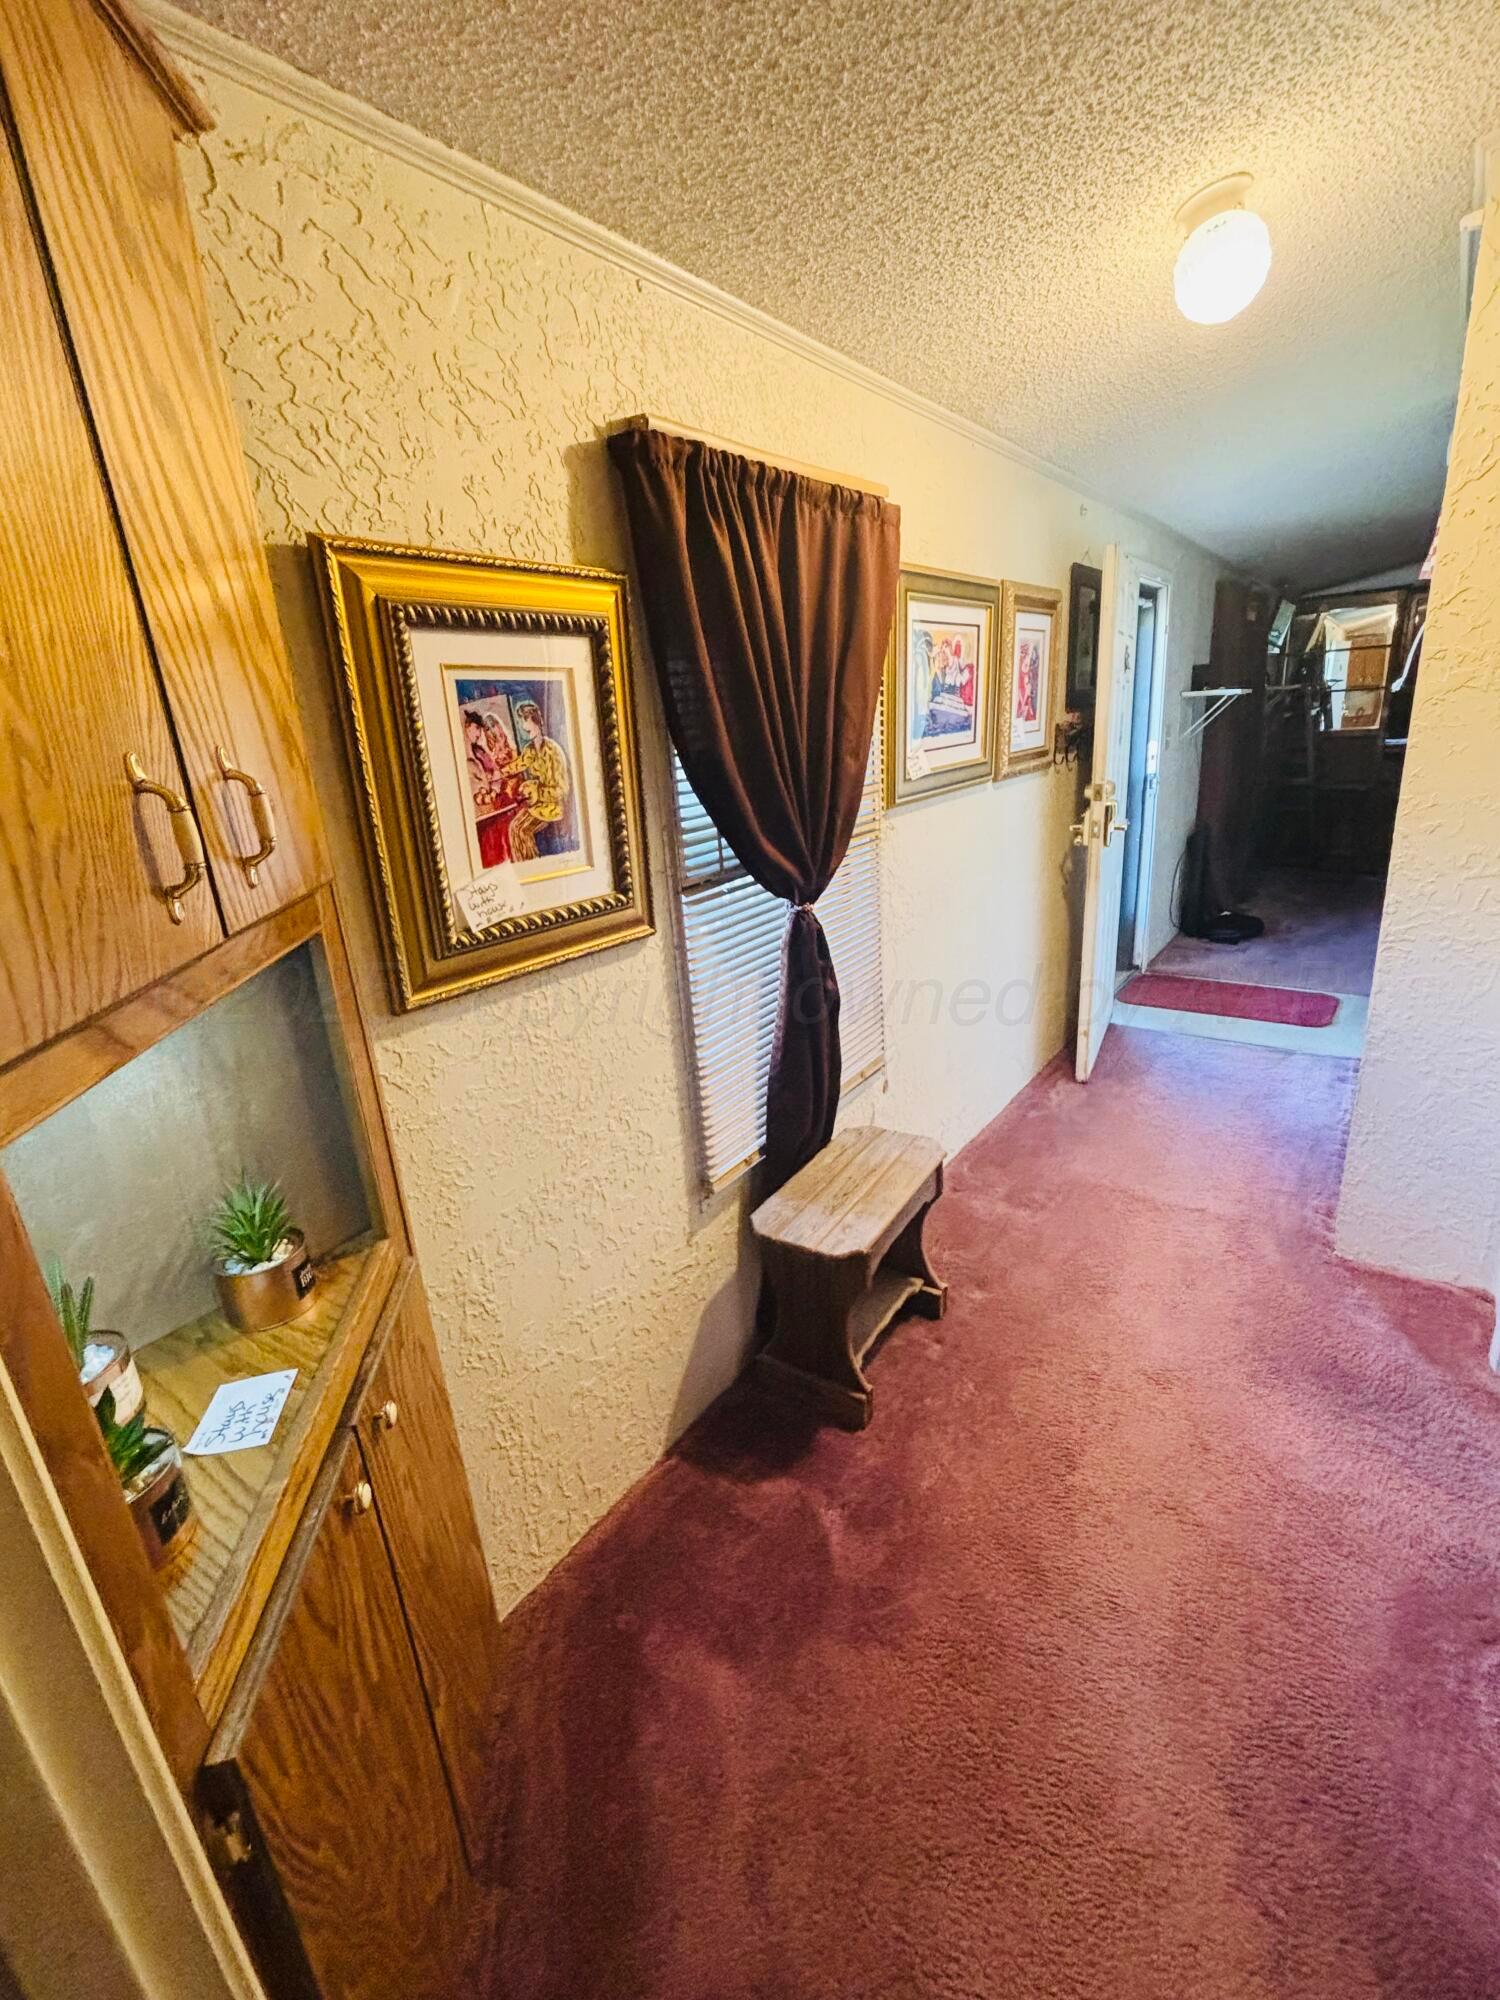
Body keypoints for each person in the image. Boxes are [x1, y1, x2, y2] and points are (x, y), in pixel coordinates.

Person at [499, 698, 571, 861]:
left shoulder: (553, 751)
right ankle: (526, 864)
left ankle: (530, 864)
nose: (524, 727)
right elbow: (519, 764)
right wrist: (500, 772)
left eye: (526, 721)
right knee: (514, 828)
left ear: (537, 722)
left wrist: (537, 791)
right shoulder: (530, 749)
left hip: (552, 806)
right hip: (538, 804)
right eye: (521, 722)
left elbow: (562, 790)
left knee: (519, 830)